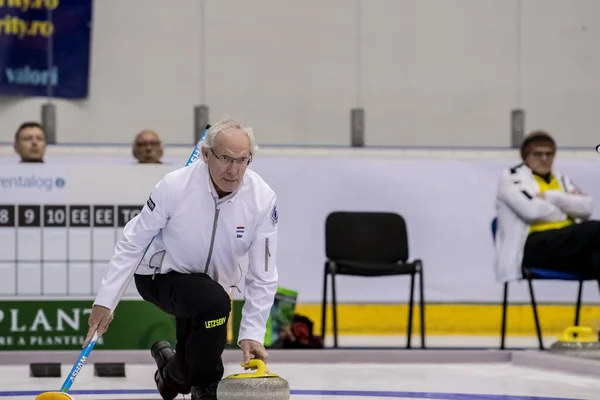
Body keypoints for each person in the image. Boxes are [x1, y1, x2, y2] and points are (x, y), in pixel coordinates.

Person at [84, 118, 280, 400]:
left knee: (206, 317)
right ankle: (206, 386)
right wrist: (105, 300)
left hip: (211, 286)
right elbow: (133, 241)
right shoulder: (175, 186)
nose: (234, 170)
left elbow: (263, 272)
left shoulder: (262, 199)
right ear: (205, 154)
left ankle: (171, 374)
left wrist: (252, 332)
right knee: (214, 304)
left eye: (242, 160)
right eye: (225, 158)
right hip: (159, 276)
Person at [494, 130, 598, 284]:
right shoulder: (512, 177)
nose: (544, 159)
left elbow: (587, 208)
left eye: (549, 154)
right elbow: (532, 211)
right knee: (595, 229)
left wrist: (552, 197)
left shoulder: (562, 179)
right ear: (525, 157)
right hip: (531, 246)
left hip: (566, 246)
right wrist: (567, 208)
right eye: (537, 154)